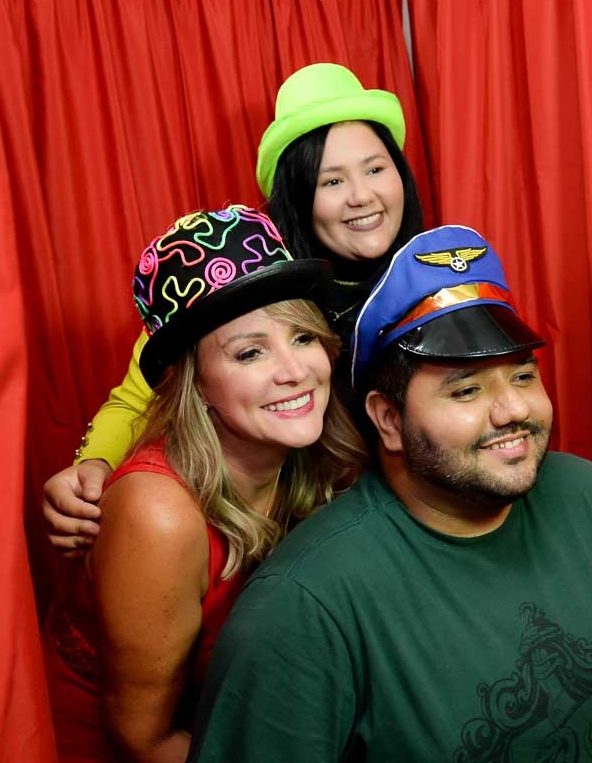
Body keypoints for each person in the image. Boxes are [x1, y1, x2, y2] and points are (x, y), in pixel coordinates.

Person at [185, 225, 592, 763]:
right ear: (389, 420)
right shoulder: (304, 606)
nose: (513, 410)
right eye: (466, 390)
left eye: (523, 376)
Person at [42, 62, 425, 555]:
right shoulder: (250, 276)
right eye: (331, 182)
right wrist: (93, 466)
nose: (362, 196)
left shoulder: (432, 274)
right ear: (297, 195)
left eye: (375, 169)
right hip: (281, 534)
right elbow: (141, 396)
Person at [41, 205, 366, 762]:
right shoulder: (158, 514)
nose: (295, 371)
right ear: (196, 385)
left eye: (303, 337)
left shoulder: (322, 455)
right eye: (250, 352)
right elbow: (143, 738)